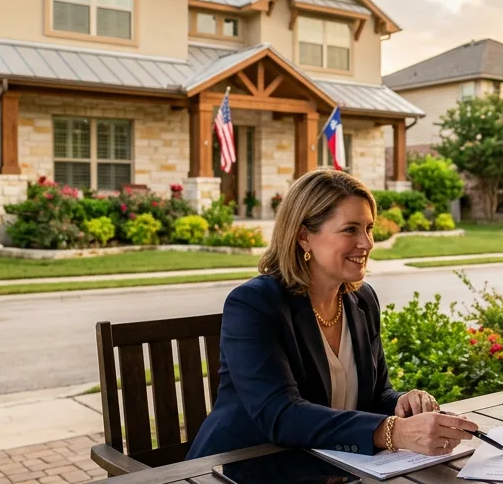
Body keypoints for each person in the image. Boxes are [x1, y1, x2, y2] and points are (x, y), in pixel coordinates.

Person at [187, 169, 478, 460]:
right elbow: (280, 415)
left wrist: (404, 403)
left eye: (369, 228)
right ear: (304, 237)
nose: (366, 243)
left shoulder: (362, 300)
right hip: (237, 471)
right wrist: (394, 432)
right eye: (350, 229)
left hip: (323, 466)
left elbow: (375, 396)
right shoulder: (254, 304)